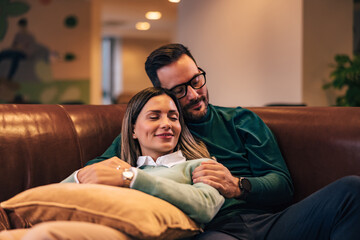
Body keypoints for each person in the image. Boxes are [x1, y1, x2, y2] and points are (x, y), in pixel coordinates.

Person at [83, 43, 360, 240]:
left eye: (196, 80)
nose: (193, 95)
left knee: (351, 189)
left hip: (270, 221)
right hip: (211, 228)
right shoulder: (152, 131)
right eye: (179, 90)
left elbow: (282, 185)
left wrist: (237, 186)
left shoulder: (241, 121)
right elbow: (97, 169)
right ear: (161, 93)